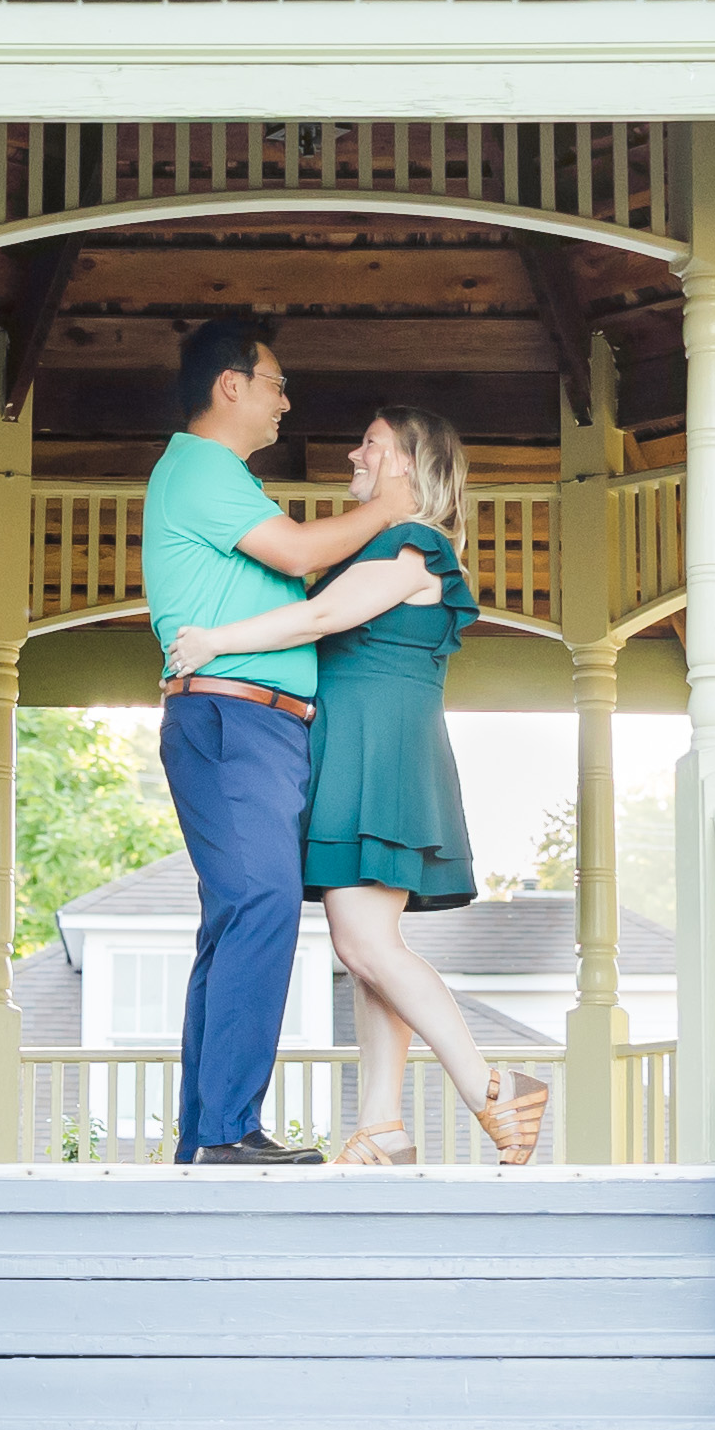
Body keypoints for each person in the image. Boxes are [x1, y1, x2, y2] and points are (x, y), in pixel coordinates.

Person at [173, 403, 545, 1168]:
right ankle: (381, 1122)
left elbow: (320, 614)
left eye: (369, 443)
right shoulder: (393, 544)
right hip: (364, 749)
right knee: (368, 944)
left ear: (407, 461)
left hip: (378, 755)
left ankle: (492, 1086)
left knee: (364, 939)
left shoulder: (413, 543)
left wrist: (215, 640)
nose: (353, 452)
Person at [141, 315, 439, 1167]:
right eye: (275, 383)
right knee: (263, 904)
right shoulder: (200, 467)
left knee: (238, 914)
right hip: (233, 716)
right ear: (229, 384)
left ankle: (207, 1135)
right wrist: (391, 502)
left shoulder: (216, 478)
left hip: (257, 725)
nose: (286, 401)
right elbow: (302, 553)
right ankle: (226, 1129)